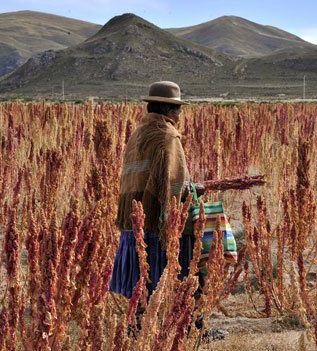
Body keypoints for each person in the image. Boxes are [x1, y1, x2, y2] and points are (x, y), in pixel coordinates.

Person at [110, 81, 227, 340]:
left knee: (142, 279)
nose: (180, 116)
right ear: (170, 111)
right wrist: (195, 188)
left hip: (134, 219)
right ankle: (193, 329)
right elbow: (172, 186)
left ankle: (137, 326)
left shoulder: (138, 133)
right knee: (186, 271)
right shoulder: (167, 136)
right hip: (158, 223)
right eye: (178, 111)